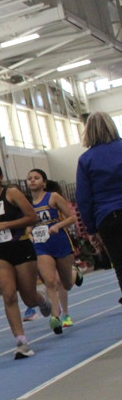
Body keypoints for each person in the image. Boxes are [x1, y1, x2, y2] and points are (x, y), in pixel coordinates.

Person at [0, 161, 52, 359]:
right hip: (0, 253)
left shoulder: (12, 194)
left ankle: (41, 299)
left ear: (0, 176)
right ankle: (21, 342)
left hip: (21, 248)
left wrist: (6, 225)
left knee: (28, 298)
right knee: (8, 295)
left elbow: (32, 217)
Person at [75, 111, 122, 304]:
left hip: (107, 217)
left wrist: (91, 229)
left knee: (119, 262)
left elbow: (84, 198)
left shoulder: (86, 159)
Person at [27, 168, 81, 332]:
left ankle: (75, 272)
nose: (32, 180)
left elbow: (72, 217)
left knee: (67, 284)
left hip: (60, 242)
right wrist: (30, 236)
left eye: (36, 178)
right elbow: (28, 227)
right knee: (50, 282)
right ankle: (55, 317)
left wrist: (58, 225)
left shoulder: (53, 197)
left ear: (44, 182)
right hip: (41, 246)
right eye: (29, 178)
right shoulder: (27, 205)